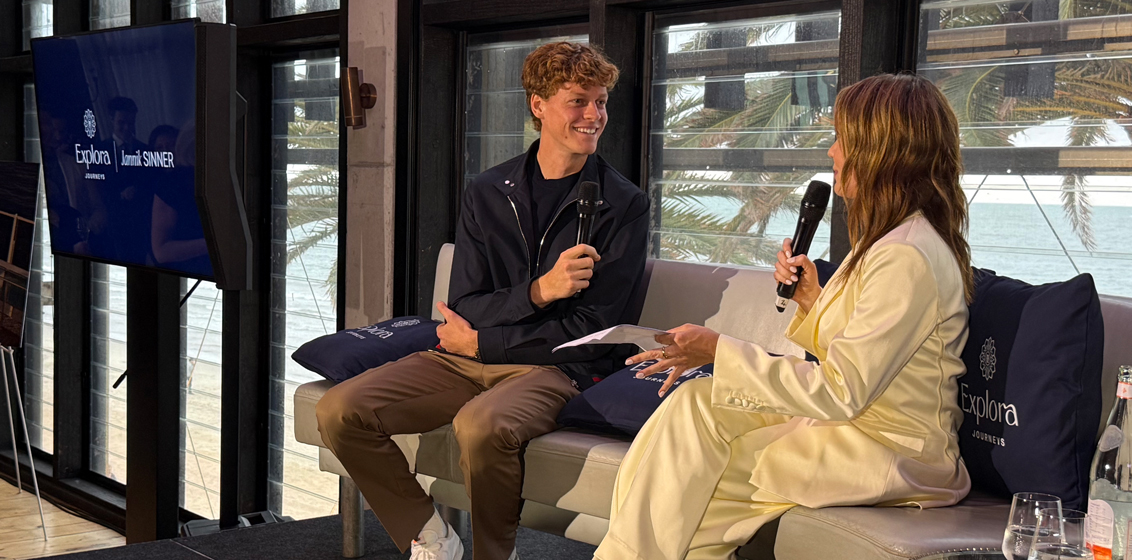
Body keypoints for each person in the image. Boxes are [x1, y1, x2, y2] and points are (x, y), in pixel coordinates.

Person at [593, 73, 974, 560]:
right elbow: (870, 362)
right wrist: (813, 301)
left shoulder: (905, 256)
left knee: (690, 485)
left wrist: (717, 349)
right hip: (856, 426)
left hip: (890, 448)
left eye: (842, 139)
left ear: (882, 152)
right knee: (695, 403)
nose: (832, 152)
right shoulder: (891, 242)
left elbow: (842, 390)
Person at [316, 42, 649, 560]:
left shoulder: (623, 204)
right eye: (578, 101)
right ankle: (431, 538)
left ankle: (496, 554)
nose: (594, 115)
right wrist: (539, 292)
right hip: (466, 356)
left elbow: (594, 329)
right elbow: (465, 304)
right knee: (340, 409)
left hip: (555, 368)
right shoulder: (489, 190)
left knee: (481, 424)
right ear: (538, 105)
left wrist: (485, 342)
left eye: (601, 102)